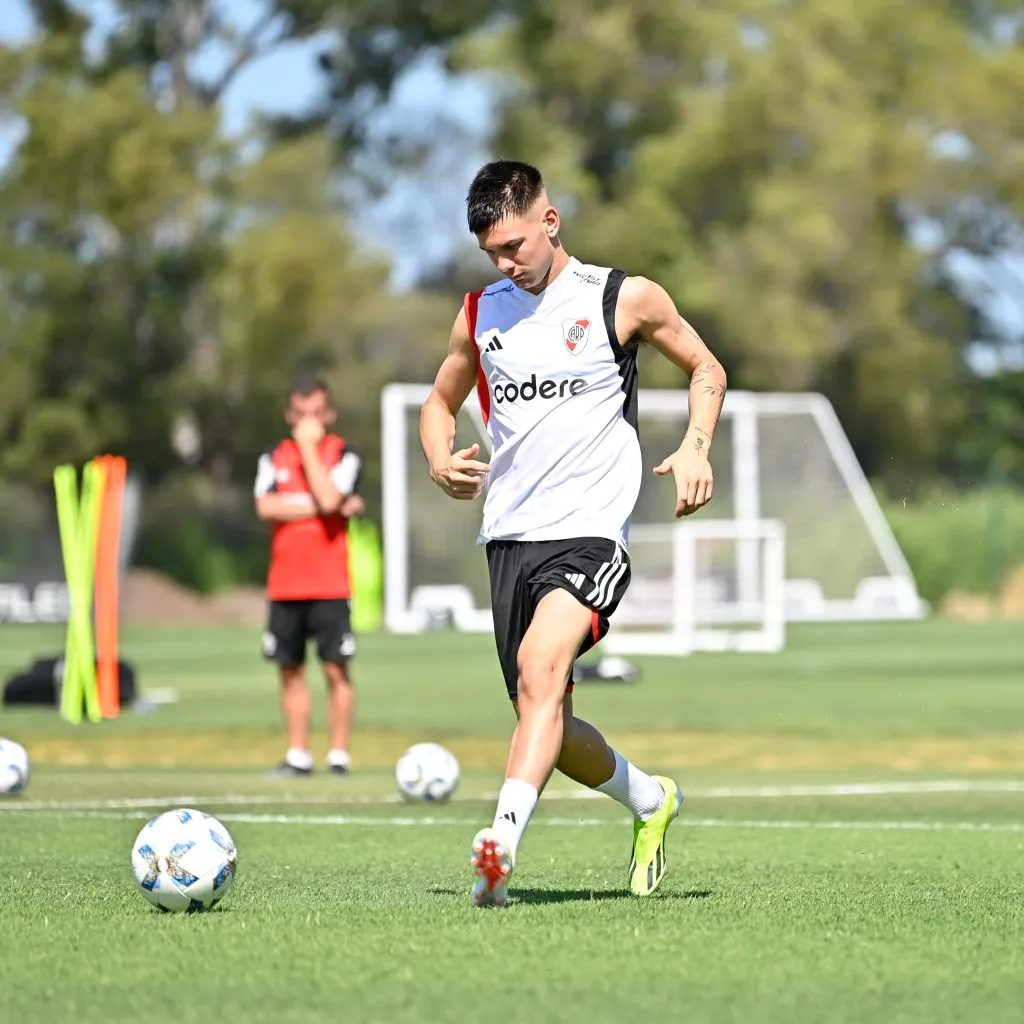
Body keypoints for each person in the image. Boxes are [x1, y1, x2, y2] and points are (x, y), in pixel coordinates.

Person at [419, 160, 728, 907]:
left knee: (540, 665)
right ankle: (651, 799)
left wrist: (695, 447)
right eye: (492, 252)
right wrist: (438, 456)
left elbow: (706, 368)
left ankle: (499, 849)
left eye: (515, 245)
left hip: (590, 533)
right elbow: (438, 400)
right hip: (508, 538)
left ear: (550, 222)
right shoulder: (479, 312)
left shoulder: (622, 298)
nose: (506, 263)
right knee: (544, 717)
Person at [254, 376, 365, 777]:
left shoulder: (344, 455)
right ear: (289, 415)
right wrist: (321, 506)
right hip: (285, 585)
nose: (309, 422)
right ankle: (298, 754)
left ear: (329, 414)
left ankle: (338, 756)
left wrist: (308, 452)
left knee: (336, 669)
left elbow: (332, 496)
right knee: (290, 670)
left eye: (316, 413)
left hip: (330, 584)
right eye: (301, 414)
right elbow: (266, 507)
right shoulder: (272, 457)